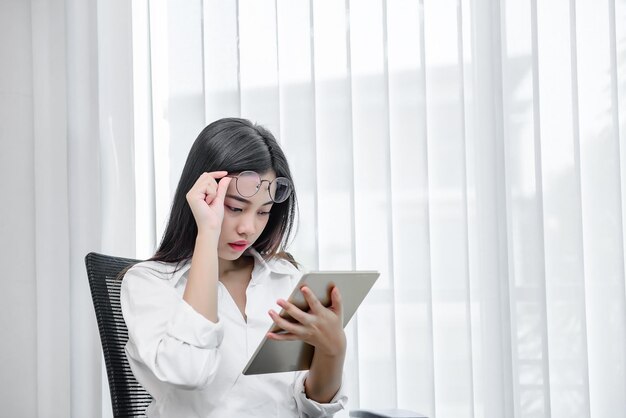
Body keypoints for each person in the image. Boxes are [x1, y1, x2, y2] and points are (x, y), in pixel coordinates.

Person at [120, 117, 347, 417]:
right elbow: (189, 372)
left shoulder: (286, 278)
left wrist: (333, 350)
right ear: (202, 196)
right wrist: (208, 232)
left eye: (263, 212)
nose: (248, 227)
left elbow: (311, 409)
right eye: (236, 208)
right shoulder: (149, 284)